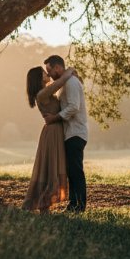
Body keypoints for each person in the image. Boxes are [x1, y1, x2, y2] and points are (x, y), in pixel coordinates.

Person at [21, 64, 78, 212]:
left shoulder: (45, 92)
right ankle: (42, 204)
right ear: (39, 78)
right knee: (50, 166)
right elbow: (60, 82)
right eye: (44, 73)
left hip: (55, 130)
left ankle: (44, 205)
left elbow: (60, 84)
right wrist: (70, 70)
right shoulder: (42, 94)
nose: (47, 74)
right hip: (52, 132)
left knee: (51, 165)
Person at [42, 54, 88, 212]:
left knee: (76, 171)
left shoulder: (71, 83)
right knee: (72, 171)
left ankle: (79, 206)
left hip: (75, 132)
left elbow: (74, 107)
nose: (49, 75)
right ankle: (74, 204)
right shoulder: (65, 83)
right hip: (70, 133)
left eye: (50, 71)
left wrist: (55, 117)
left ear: (57, 67)